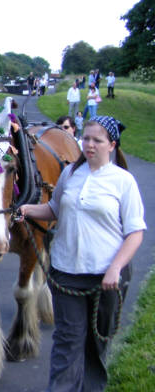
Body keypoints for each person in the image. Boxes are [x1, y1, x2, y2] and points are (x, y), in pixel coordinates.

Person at [18, 116, 146, 392]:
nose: (89, 145)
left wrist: (115, 268)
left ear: (111, 145)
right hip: (66, 273)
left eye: (97, 140)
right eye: (86, 138)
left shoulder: (124, 182)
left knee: (95, 345)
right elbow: (53, 210)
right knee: (67, 341)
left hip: (106, 278)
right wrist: (28, 210)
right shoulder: (70, 174)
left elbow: (135, 233)